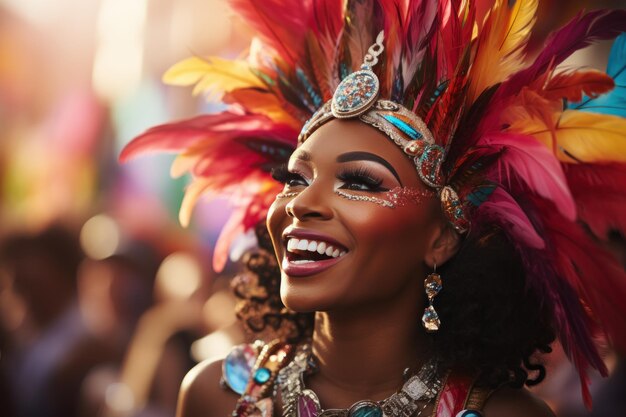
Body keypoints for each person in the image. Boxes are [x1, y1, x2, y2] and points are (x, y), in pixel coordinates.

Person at [121, 1, 626, 416]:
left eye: (359, 181)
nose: (302, 203)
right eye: (295, 178)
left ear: (442, 238)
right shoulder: (216, 394)